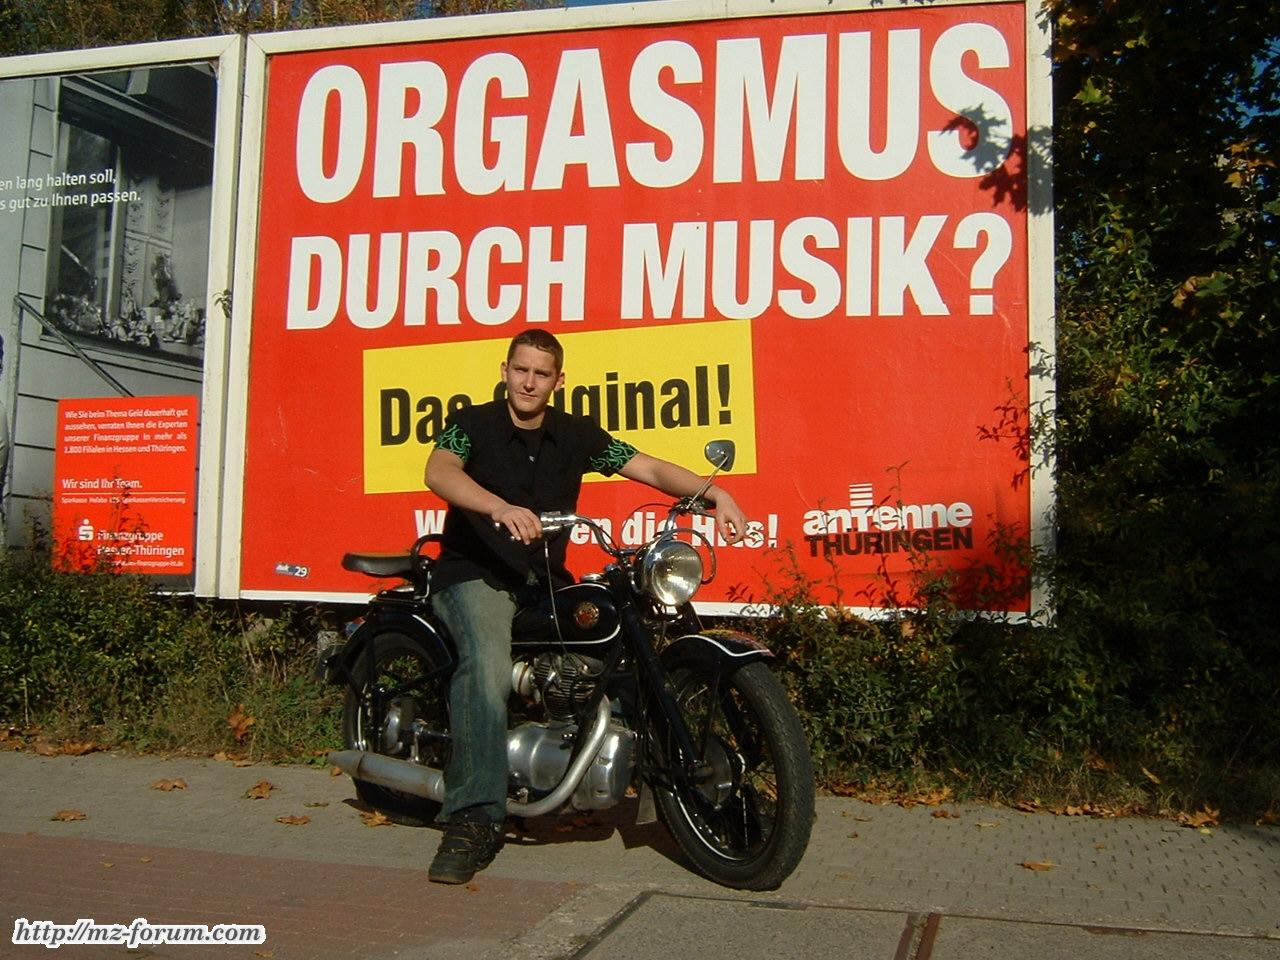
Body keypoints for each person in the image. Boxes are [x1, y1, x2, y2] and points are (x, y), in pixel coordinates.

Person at [422, 329, 747, 884]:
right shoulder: (472, 424)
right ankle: (473, 818)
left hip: (542, 580)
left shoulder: (575, 434)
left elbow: (646, 467)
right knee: (488, 668)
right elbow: (440, 470)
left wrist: (714, 494)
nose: (529, 382)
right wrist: (498, 507)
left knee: (609, 645)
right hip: (474, 574)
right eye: (521, 370)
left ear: (558, 380)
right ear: (505, 371)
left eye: (541, 373)